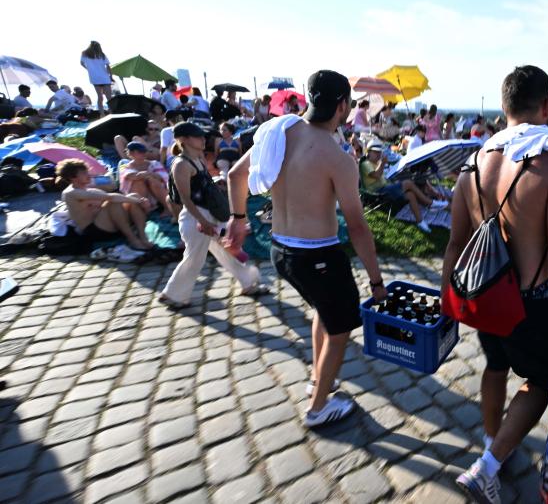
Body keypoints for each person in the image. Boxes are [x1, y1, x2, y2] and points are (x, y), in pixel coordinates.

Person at [444, 65, 548, 502]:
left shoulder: (473, 163)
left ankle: (494, 442)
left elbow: (455, 244)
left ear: (503, 107)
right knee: (541, 381)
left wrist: (447, 303)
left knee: (496, 365)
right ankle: (488, 466)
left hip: (485, 294)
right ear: (547, 105)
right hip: (534, 301)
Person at [225, 70, 389, 426]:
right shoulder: (337, 158)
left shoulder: (279, 132)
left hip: (280, 251)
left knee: (322, 310)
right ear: (342, 106)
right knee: (341, 330)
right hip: (318, 255)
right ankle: (317, 408)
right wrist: (376, 282)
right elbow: (358, 227)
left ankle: (319, 378)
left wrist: (238, 219)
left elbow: (235, 175)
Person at [159, 122, 265, 309]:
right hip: (196, 218)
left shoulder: (198, 160)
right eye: (197, 136)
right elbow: (185, 199)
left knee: (226, 250)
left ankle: (248, 282)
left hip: (209, 215)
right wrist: (202, 222)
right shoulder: (181, 164)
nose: (203, 140)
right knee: (194, 258)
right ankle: (173, 295)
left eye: (203, 136)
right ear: (184, 140)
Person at [57, 159, 154, 250]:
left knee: (133, 196)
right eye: (84, 173)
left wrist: (136, 199)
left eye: (87, 172)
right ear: (72, 177)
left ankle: (143, 236)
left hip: (107, 224)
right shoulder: (71, 193)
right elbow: (111, 197)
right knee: (114, 202)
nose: (89, 175)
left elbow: (115, 194)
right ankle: (133, 240)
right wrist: (139, 201)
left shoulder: (90, 190)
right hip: (95, 231)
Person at [361, 141, 445, 233]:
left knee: (410, 194)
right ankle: (430, 203)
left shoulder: (375, 163)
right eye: (375, 152)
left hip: (385, 189)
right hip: (377, 193)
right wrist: (382, 163)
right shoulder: (365, 163)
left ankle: (420, 221)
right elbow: (376, 175)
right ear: (368, 152)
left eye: (379, 152)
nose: (378, 154)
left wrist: (384, 167)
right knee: (408, 183)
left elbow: (382, 177)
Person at [118, 142, 174, 215]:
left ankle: (168, 208)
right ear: (131, 154)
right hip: (138, 195)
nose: (144, 153)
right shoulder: (124, 166)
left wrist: (148, 174)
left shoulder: (154, 163)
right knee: (138, 181)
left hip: (156, 193)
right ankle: (144, 210)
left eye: (145, 151)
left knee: (152, 181)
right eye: (141, 152)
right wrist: (147, 174)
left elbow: (163, 177)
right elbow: (133, 176)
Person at [79, 41, 113, 114]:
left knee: (100, 97)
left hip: (95, 78)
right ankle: (111, 112)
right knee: (109, 97)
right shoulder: (101, 54)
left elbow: (81, 63)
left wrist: (88, 69)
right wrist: (111, 76)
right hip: (104, 77)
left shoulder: (84, 53)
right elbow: (108, 66)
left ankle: (102, 114)